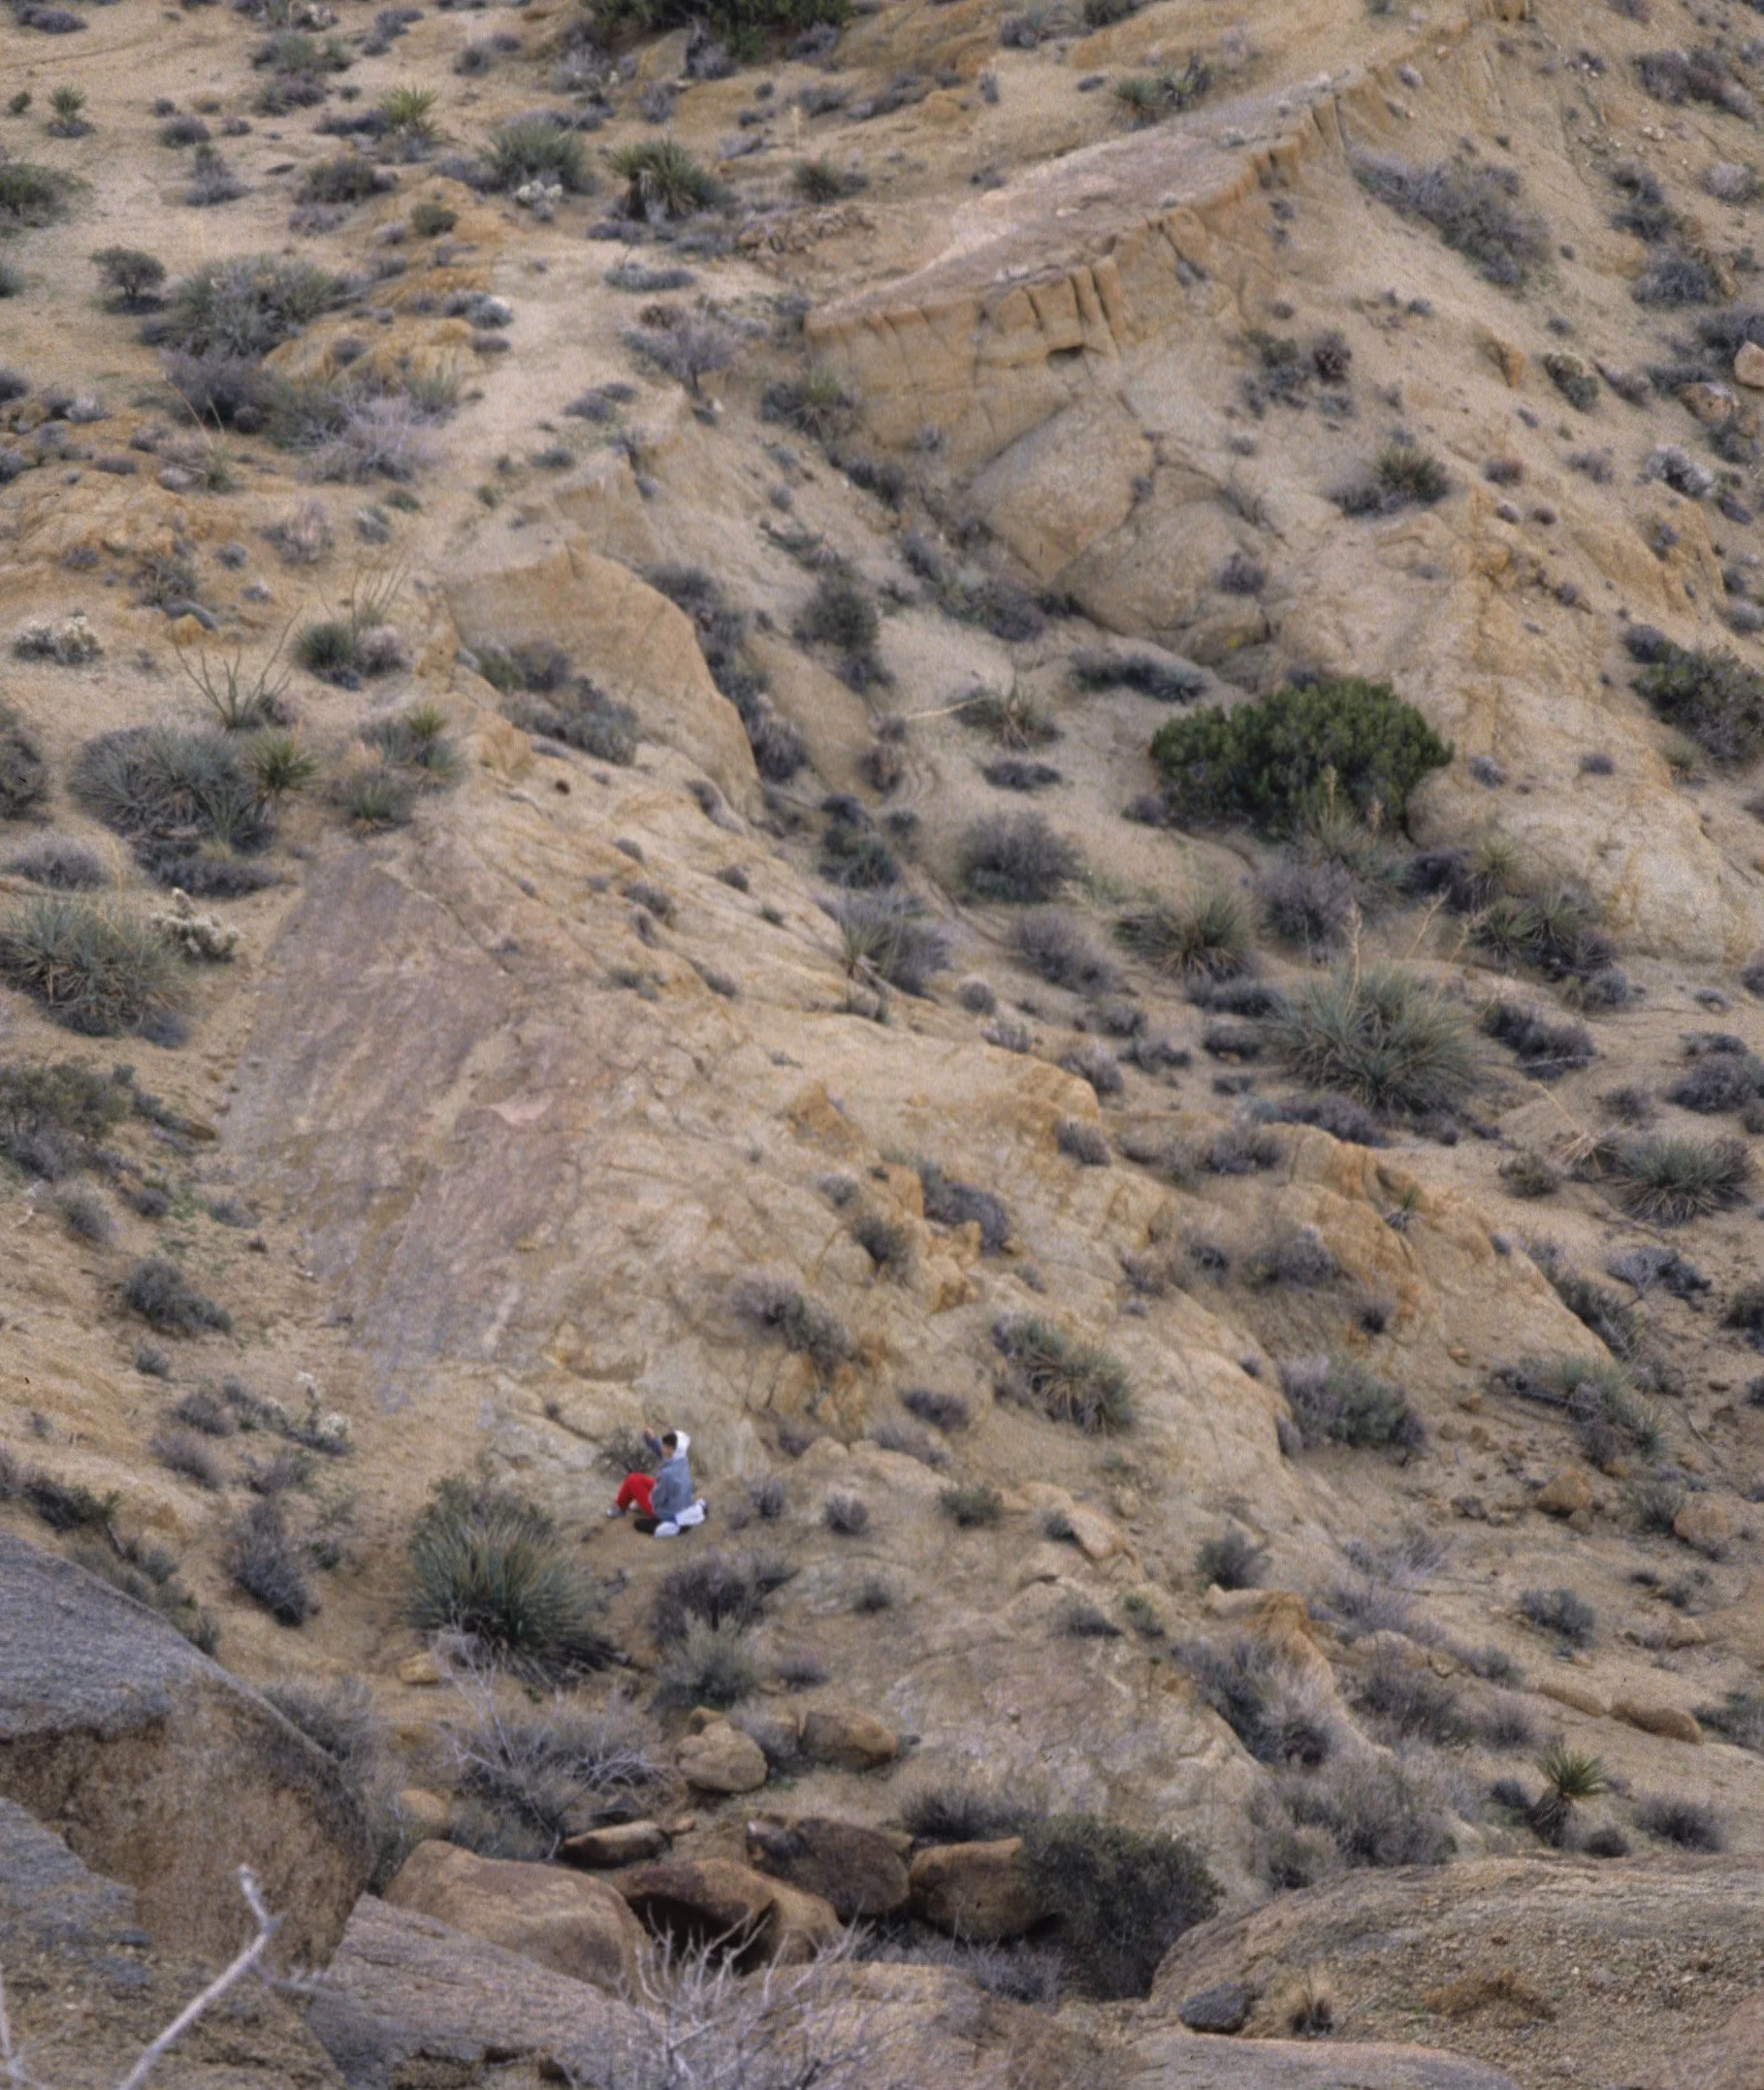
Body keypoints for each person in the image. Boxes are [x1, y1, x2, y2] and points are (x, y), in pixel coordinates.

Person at [608, 1430, 706, 1538]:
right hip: (679, 1503)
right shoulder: (682, 1459)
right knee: (640, 1478)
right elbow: (662, 1452)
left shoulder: (668, 1474)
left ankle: (620, 1508)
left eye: (664, 1446)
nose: (661, 1448)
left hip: (665, 1512)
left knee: (632, 1480)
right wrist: (651, 1440)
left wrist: (642, 1499)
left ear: (671, 1449)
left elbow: (656, 1499)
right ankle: (623, 1505)